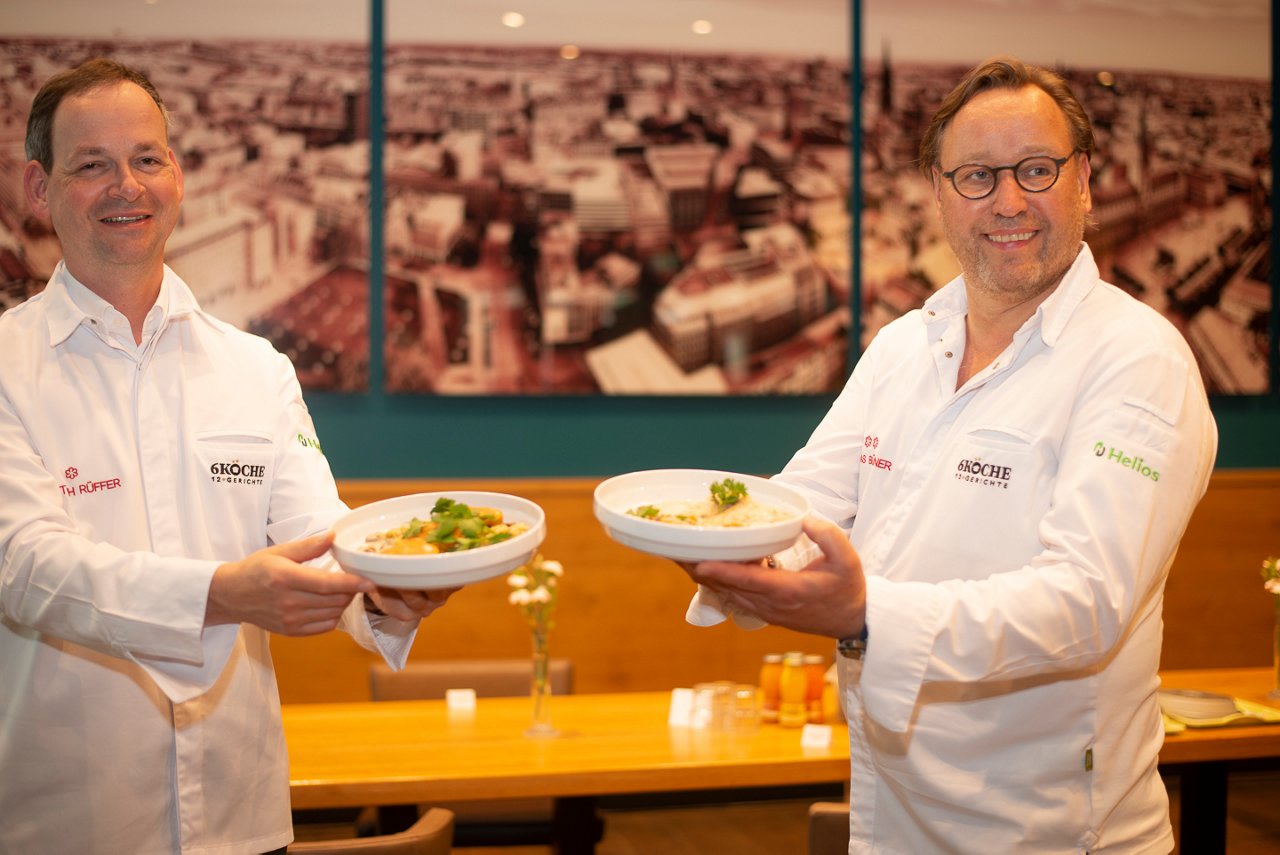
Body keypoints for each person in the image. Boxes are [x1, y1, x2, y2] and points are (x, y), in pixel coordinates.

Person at [683, 57, 1217, 853]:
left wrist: (863, 613)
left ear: (1086, 181)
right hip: (893, 816)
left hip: (1052, 830)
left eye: (1036, 168)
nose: (1008, 201)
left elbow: (1087, 602)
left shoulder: (1139, 360)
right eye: (975, 175)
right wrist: (723, 543)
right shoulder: (904, 345)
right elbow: (806, 504)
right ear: (937, 192)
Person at [0, 58, 451, 854]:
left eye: (146, 158)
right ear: (39, 189)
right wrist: (220, 594)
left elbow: (320, 535)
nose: (126, 186)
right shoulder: (7, 366)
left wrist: (386, 588)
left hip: (245, 818)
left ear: (175, 172)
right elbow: (29, 566)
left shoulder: (257, 367)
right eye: (91, 166)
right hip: (70, 825)